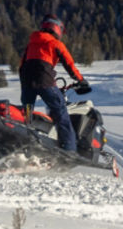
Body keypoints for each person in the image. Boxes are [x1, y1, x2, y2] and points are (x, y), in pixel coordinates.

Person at [18, 14, 90, 152]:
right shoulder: (55, 43)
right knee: (60, 112)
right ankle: (69, 150)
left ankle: (25, 144)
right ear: (57, 28)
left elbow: (21, 66)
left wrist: (25, 86)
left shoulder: (31, 43)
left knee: (27, 115)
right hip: (45, 82)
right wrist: (81, 80)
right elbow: (69, 64)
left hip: (27, 83)